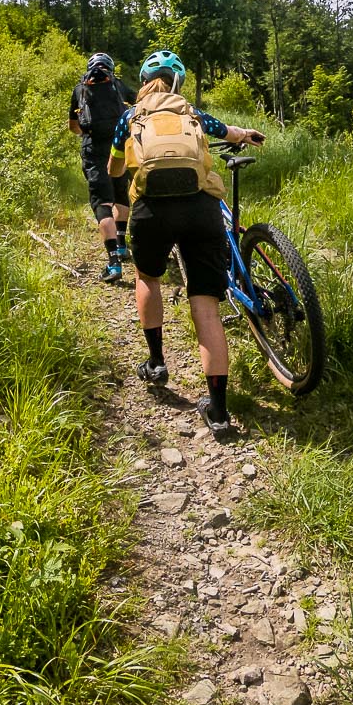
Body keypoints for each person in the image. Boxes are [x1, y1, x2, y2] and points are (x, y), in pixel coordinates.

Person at [108, 50, 265, 434]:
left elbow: (114, 167)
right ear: (177, 83)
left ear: (143, 82)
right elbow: (228, 133)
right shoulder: (192, 113)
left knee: (148, 278)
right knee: (206, 306)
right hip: (201, 207)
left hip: (151, 211)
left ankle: (156, 363)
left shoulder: (130, 117)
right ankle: (219, 412)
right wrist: (245, 134)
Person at [68, 52, 137, 281]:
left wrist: (87, 134)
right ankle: (122, 244)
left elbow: (73, 126)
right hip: (119, 146)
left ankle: (114, 263)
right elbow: (138, 106)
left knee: (102, 202)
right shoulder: (118, 85)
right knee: (120, 193)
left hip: (93, 149)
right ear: (111, 68)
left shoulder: (80, 89)